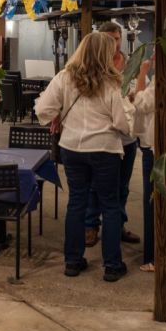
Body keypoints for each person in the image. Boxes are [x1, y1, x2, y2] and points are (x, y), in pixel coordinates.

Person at [35, 33, 133, 282]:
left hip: (72, 148)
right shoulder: (113, 82)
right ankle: (112, 265)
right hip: (104, 149)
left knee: (76, 202)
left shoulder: (65, 77)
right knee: (110, 205)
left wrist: (59, 114)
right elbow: (123, 124)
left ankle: (73, 261)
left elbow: (42, 110)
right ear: (105, 53)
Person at [84, 22, 140, 248]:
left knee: (122, 186)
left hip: (126, 137)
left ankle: (118, 225)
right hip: (102, 137)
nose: (113, 44)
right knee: (95, 185)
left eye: (116, 39)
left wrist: (135, 96)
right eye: (108, 39)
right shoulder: (93, 66)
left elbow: (140, 90)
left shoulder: (131, 64)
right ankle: (91, 226)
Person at [133, 55, 155, 272]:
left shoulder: (164, 76)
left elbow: (142, 103)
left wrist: (141, 73)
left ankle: (153, 258)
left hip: (155, 147)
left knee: (152, 202)